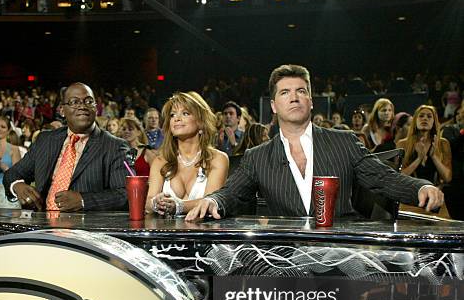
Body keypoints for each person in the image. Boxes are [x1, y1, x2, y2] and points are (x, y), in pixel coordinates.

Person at [186, 64, 444, 221]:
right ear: (274, 106)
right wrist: (214, 201)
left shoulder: (344, 142)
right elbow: (231, 192)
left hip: (340, 252)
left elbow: (384, 178)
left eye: (301, 91)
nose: (294, 98)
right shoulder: (257, 156)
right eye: (285, 92)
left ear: (310, 101)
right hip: (287, 255)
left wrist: (421, 187)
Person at [3, 82, 128, 212]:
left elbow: (124, 194)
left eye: (89, 101)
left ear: (96, 108)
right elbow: (12, 174)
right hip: (43, 226)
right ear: (62, 110)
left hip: (87, 229)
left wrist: (83, 200)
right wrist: (17, 185)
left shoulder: (114, 146)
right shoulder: (45, 140)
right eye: (74, 102)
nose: (82, 106)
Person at [145, 91, 228, 216]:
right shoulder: (161, 161)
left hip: (204, 231)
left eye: (185, 113)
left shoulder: (217, 159)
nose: (177, 118)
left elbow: (211, 201)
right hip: (167, 232)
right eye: (173, 115)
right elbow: (148, 202)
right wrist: (156, 203)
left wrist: (179, 206)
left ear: (201, 122)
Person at [398, 105, 452, 186]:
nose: (425, 118)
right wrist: (419, 159)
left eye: (429, 116)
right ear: (415, 121)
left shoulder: (443, 143)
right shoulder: (402, 144)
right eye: (421, 116)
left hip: (434, 192)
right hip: (409, 191)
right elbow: (399, 177)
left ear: (434, 122)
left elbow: (447, 177)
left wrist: (434, 157)